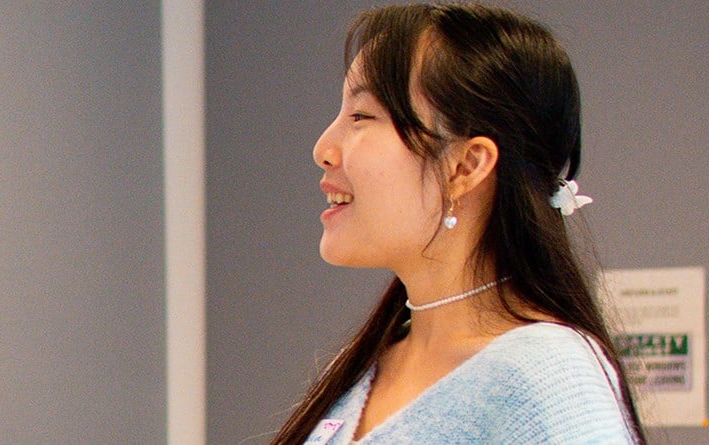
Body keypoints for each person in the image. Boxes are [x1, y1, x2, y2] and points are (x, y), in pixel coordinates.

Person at [272, 3, 644, 444]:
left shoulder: (547, 378)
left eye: (361, 116)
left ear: (465, 166)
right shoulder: (362, 368)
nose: (323, 148)